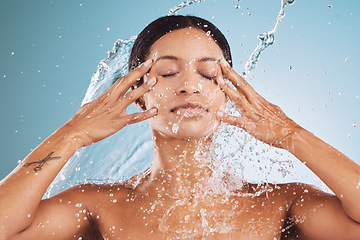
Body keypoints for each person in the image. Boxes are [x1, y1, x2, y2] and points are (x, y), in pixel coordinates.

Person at [1, 15, 360, 240]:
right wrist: (73, 132)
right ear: (139, 95)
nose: (189, 85)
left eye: (208, 73)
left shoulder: (282, 203)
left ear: (228, 94)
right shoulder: (97, 205)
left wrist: (291, 135)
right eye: (168, 72)